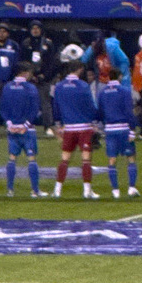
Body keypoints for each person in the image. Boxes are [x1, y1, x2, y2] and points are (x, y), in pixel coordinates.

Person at [51, 50, 100, 200]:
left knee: (65, 159)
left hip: (69, 127)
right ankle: (87, 191)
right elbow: (90, 106)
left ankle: (57, 190)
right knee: (86, 159)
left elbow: (56, 107)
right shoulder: (83, 86)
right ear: (79, 70)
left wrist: (59, 124)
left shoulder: (59, 86)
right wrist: (95, 120)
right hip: (84, 127)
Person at [0, 62, 45, 198]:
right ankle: (35, 190)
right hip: (27, 130)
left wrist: (9, 124)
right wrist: (26, 125)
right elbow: (35, 108)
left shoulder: (7, 87)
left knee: (12, 158)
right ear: (25, 72)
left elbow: (2, 107)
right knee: (31, 159)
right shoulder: (30, 88)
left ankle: (10, 190)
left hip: (12, 129)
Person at [98, 70, 139, 200]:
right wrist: (132, 129)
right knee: (130, 157)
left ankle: (115, 190)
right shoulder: (124, 91)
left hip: (110, 129)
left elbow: (100, 111)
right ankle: (131, 188)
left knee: (112, 159)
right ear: (119, 77)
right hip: (123, 128)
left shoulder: (102, 92)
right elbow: (129, 112)